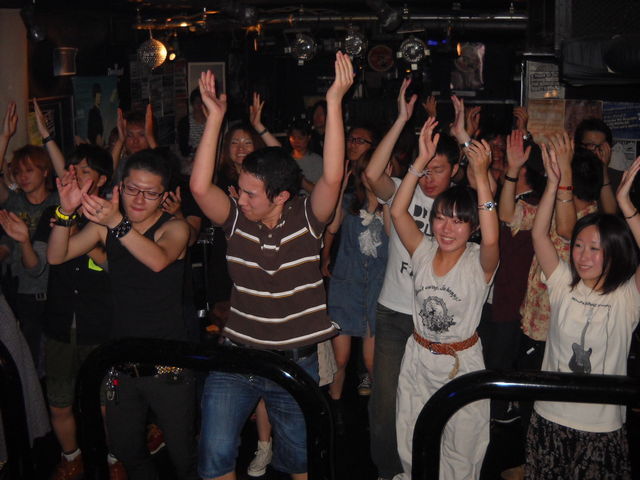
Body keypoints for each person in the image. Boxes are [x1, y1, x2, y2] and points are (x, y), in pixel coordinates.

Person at [191, 51, 353, 480]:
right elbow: (199, 187)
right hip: (238, 356)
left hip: (295, 363)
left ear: (281, 196)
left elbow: (332, 178)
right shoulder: (235, 219)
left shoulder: (307, 217)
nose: (239, 198)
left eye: (250, 193)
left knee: (300, 461)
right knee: (214, 454)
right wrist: (214, 119)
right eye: (239, 189)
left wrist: (334, 101)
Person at [47, 150, 196, 480]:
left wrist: (116, 222)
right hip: (122, 360)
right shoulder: (107, 227)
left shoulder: (175, 228)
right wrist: (66, 212)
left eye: (150, 192)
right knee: (125, 449)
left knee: (183, 455)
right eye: (132, 189)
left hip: (168, 363)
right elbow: (57, 256)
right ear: (119, 187)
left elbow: (158, 260)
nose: (139, 199)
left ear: (164, 196)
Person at [390, 118, 498, 480]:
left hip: (461, 362)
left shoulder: (478, 262)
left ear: (472, 227)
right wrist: (419, 163)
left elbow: (493, 238)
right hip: (419, 357)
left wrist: (481, 176)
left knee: (462, 449)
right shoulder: (423, 250)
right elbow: (397, 211)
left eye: (458, 221)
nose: (447, 228)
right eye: (440, 218)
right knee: (412, 438)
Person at [364, 78, 459, 480]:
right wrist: (401, 120)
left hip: (438, 319)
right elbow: (372, 174)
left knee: (431, 402)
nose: (429, 178)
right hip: (394, 313)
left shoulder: (461, 206)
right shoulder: (406, 188)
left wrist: (464, 138)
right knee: (385, 402)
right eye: (425, 168)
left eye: (439, 169)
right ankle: (388, 472)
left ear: (455, 170)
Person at [525, 149, 640, 479]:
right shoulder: (564, 282)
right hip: (550, 415)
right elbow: (538, 234)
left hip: (602, 427)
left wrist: (625, 203)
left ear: (614, 252)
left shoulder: (627, 296)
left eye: (594, 249)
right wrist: (553, 184)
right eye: (578, 246)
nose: (582, 256)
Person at [35, 144, 115, 480]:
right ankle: (71, 457)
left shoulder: (114, 215)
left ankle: (113, 458)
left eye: (85, 171)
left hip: (101, 325)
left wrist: (88, 229)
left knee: (106, 403)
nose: (77, 176)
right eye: (73, 169)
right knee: (59, 401)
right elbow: (48, 259)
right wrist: (65, 215)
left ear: (102, 179)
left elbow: (116, 266)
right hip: (59, 323)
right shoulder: (53, 213)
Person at [322, 150, 390, 432]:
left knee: (373, 363)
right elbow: (331, 227)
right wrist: (325, 257)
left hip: (377, 289)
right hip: (346, 287)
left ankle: (379, 418)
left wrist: (387, 200)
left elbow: (393, 234)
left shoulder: (394, 205)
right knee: (339, 359)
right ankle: (333, 411)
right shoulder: (349, 202)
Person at [288, 119, 323, 194]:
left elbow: (321, 192)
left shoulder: (317, 161)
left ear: (309, 137)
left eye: (300, 138)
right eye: (293, 138)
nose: (296, 142)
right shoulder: (286, 159)